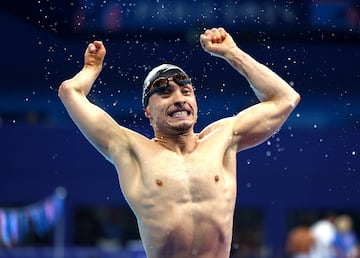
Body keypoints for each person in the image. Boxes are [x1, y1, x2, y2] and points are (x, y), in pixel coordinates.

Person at [58, 27, 300, 258]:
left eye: (186, 91)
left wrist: (232, 54)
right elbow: (70, 92)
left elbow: (285, 97)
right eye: (165, 93)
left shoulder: (224, 138)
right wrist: (90, 69)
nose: (179, 99)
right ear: (147, 112)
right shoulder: (130, 149)